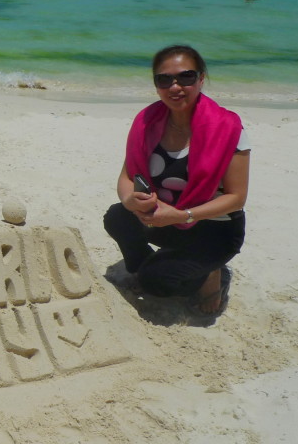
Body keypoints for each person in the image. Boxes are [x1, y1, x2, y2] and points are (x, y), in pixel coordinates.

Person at [104, 45, 250, 319]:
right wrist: (130, 200)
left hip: (215, 231)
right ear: (156, 85)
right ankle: (148, 265)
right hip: (166, 217)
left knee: (155, 284)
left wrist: (183, 214)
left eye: (186, 77)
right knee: (117, 217)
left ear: (201, 78)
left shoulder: (227, 128)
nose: (175, 87)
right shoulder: (147, 123)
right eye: (164, 79)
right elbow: (127, 177)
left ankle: (211, 273)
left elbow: (236, 197)